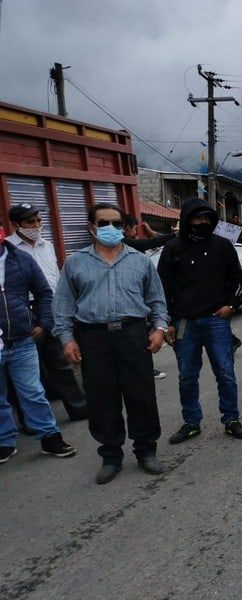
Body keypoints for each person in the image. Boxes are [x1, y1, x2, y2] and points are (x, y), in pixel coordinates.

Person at [53, 202, 167, 483]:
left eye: (117, 224)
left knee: (141, 395)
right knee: (102, 397)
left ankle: (146, 450)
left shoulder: (139, 260)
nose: (111, 228)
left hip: (133, 334)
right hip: (93, 337)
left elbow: (156, 300)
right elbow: (63, 306)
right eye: (104, 223)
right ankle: (111, 456)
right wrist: (67, 339)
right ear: (91, 227)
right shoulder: (75, 263)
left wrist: (159, 329)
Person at [157, 198, 242, 444]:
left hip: (216, 321)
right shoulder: (172, 248)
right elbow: (162, 288)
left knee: (226, 373)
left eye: (208, 218)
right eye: (198, 218)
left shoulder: (223, 246)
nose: (203, 222)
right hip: (183, 323)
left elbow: (238, 279)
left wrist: (232, 305)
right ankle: (191, 422)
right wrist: (167, 321)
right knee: (187, 376)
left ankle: (231, 419)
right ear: (187, 220)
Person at [0, 218, 77, 465]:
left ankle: (50, 437)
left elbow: (44, 292)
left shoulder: (21, 259)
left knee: (33, 392)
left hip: (22, 340)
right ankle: (5, 442)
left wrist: (42, 323)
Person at [6, 204, 88, 421]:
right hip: (22, 312)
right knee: (25, 371)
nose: (36, 226)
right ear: (16, 225)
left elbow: (55, 279)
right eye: (30, 222)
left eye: (38, 220)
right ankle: (30, 420)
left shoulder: (47, 245)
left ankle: (79, 409)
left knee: (59, 362)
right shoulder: (9, 249)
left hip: (49, 307)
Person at [121, 213, 177, 379]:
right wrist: (173, 235)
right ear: (126, 228)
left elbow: (152, 243)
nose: (135, 232)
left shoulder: (131, 246)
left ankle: (143, 367)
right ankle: (143, 368)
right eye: (134, 228)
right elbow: (149, 243)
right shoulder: (124, 244)